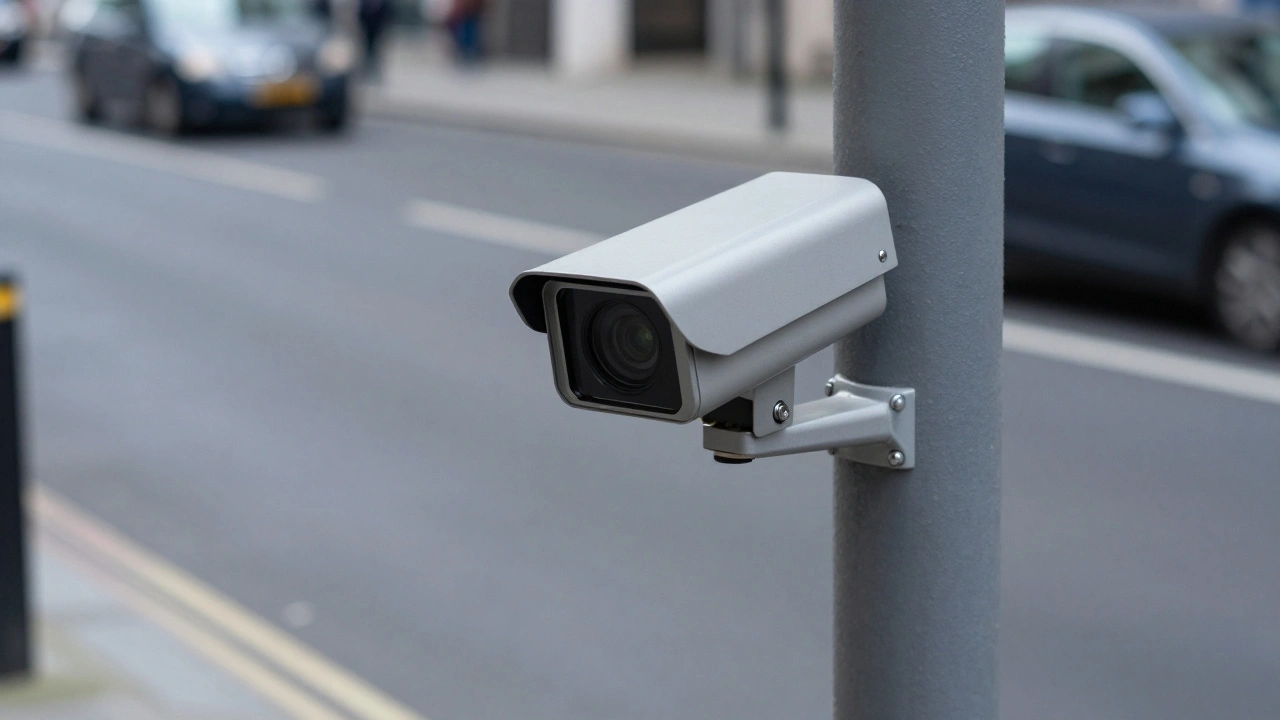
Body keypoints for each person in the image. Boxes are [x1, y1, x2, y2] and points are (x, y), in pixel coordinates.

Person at [358, 0, 393, 78]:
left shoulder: (383, 5)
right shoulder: (364, 4)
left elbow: (386, 17)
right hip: (367, 31)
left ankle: (374, 71)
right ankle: (367, 71)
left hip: (377, 32)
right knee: (366, 51)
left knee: (376, 52)